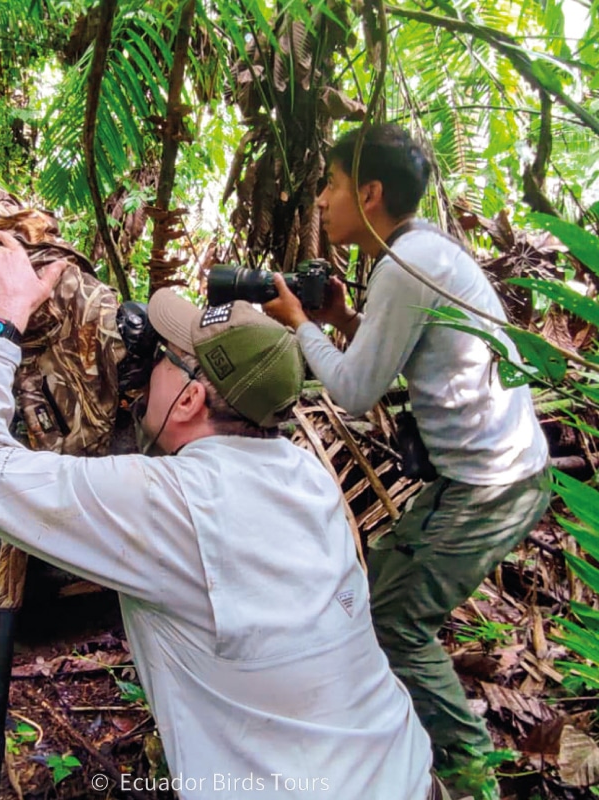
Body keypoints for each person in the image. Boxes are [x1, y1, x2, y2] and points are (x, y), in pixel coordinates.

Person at [0, 230, 437, 799]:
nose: (144, 360)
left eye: (162, 355)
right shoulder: (305, 473)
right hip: (404, 768)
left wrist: (3, 318)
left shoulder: (169, 505)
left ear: (190, 400)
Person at [264, 124, 550, 797]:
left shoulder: (405, 266)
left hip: (490, 487)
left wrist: (298, 324)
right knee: (376, 596)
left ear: (369, 192)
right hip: (485, 477)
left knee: (394, 620)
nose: (322, 201)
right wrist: (336, 320)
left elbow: (357, 391)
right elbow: (389, 360)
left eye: (330, 185)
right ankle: (391, 730)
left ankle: (468, 767)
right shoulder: (422, 255)